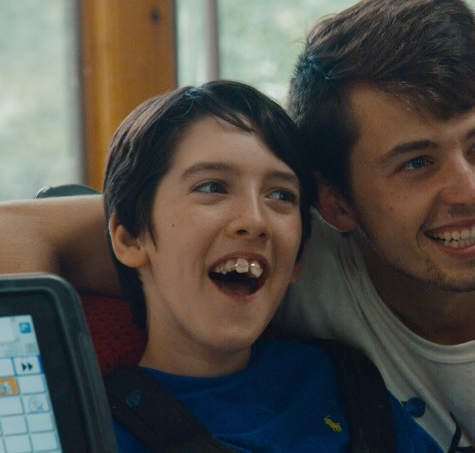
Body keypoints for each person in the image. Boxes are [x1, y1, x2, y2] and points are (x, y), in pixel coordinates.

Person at [0, 1, 475, 451]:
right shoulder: (310, 260)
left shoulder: (342, 380)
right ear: (335, 207)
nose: (467, 193)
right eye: (415, 162)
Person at [63, 80, 446, 451]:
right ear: (130, 238)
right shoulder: (93, 431)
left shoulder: (347, 386)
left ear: (298, 258)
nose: (255, 221)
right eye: (212, 187)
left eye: (280, 195)